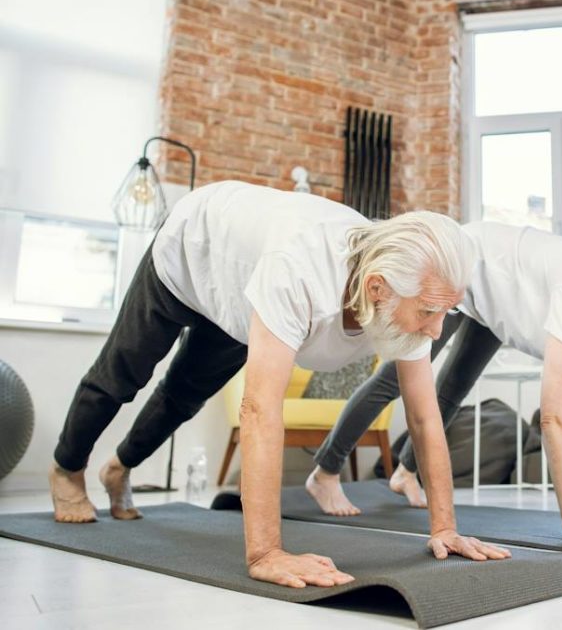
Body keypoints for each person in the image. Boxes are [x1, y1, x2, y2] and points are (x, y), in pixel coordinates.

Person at [49, 181, 510, 589]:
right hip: (192, 250)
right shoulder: (301, 270)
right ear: (376, 288)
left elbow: (425, 417)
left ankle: (118, 468)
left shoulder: (412, 299)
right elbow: (260, 411)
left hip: (239, 289)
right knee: (123, 374)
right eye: (430, 312)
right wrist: (265, 553)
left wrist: (444, 528)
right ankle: (67, 468)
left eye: (444, 312)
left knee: (182, 396)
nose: (436, 331)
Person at [306, 221, 562, 547]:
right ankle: (324, 473)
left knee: (454, 388)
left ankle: (405, 473)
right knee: (394, 381)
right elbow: (556, 419)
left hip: (503, 301)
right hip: (476, 266)